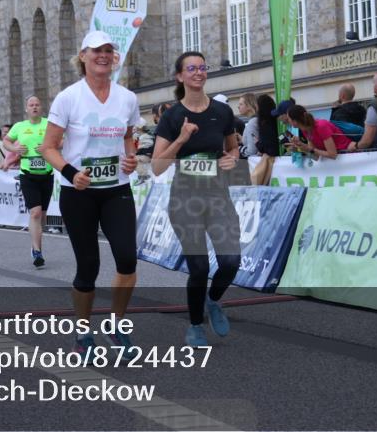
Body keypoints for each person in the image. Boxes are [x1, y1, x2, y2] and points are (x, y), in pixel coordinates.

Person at [42, 31, 141, 361]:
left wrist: (130, 156)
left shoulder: (126, 98)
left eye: (109, 51)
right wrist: (72, 173)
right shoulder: (69, 98)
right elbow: (48, 148)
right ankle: (83, 333)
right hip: (78, 193)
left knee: (127, 258)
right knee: (88, 266)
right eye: (97, 50)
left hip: (117, 189)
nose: (104, 56)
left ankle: (117, 326)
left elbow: (129, 136)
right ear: (83, 56)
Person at [152, 52, 245, 347]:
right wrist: (180, 139)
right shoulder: (172, 116)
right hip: (185, 200)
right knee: (200, 268)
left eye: (202, 68)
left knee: (231, 262)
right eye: (191, 68)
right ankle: (194, 326)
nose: (198, 73)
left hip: (218, 197)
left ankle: (214, 300)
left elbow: (233, 151)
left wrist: (231, 160)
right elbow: (156, 167)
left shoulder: (222, 111)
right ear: (180, 76)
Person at [5, 96, 56, 265]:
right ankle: (37, 251)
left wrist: (48, 148)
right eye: (31, 105)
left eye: (37, 104)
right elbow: (6, 141)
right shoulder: (20, 126)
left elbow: (61, 140)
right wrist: (15, 148)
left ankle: (36, 245)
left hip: (47, 173)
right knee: (34, 212)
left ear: (41, 107)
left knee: (42, 215)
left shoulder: (49, 124)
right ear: (26, 109)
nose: (34, 107)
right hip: (27, 174)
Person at [286, 105, 350, 160]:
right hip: (339, 159)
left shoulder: (321, 126)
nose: (287, 121)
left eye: (288, 118)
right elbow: (316, 157)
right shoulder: (305, 130)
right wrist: (300, 148)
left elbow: (333, 154)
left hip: (348, 154)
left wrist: (308, 148)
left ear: (294, 121)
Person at [349, 72, 377, 151]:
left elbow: (367, 140)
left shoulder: (375, 104)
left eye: (374, 83)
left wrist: (355, 146)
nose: (373, 86)